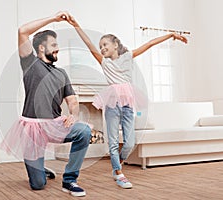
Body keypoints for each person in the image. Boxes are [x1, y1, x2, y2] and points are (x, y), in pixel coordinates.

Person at [66, 14, 188, 189]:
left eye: (105, 44)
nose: (101, 48)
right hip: (112, 104)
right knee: (114, 141)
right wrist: (76, 24)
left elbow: (150, 44)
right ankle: (118, 173)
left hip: (128, 103)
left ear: (116, 45)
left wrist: (171, 35)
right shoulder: (104, 62)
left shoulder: (128, 56)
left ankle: (119, 163)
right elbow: (88, 43)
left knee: (130, 142)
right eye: (100, 46)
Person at [0, 11, 91, 197]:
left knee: (84, 131)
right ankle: (41, 171)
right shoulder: (30, 64)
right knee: (38, 185)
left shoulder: (62, 74)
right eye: (54, 45)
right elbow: (22, 31)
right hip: (32, 128)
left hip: (54, 125)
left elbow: (72, 100)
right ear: (41, 48)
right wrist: (53, 19)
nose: (58, 49)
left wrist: (73, 114)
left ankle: (70, 180)